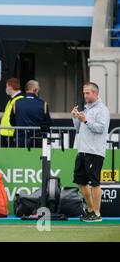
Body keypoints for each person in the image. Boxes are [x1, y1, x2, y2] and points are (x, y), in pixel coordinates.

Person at [71, 82, 110, 223]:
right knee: (81, 182)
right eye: (84, 93)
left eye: (87, 93)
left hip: (95, 151)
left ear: (95, 93)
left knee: (94, 182)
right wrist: (76, 117)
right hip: (82, 150)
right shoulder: (86, 109)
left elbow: (100, 128)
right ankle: (90, 210)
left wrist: (85, 120)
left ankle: (97, 213)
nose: (85, 95)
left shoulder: (102, 110)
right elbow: (78, 128)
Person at [10, 80, 51, 148]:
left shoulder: (16, 103)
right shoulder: (43, 104)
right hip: (37, 140)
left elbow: (12, 122)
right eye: (38, 90)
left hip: (20, 140)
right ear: (35, 90)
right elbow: (48, 123)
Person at [0, 78, 24, 147]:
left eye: (6, 86)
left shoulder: (19, 100)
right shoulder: (11, 100)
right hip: (6, 133)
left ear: (10, 87)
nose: (6, 88)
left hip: (12, 134)